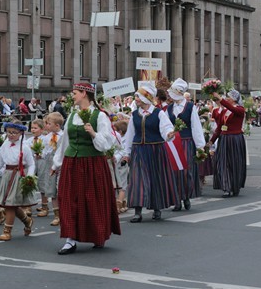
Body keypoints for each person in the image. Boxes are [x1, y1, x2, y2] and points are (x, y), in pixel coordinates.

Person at [53, 83, 121, 254]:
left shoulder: (99, 116)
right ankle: (70, 239)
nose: (72, 96)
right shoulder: (72, 116)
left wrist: (93, 134)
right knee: (68, 199)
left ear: (84, 94)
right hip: (72, 163)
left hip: (92, 163)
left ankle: (98, 235)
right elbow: (64, 142)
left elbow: (106, 144)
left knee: (92, 200)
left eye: (74, 93)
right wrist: (57, 164)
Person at [121, 84, 176, 223]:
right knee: (137, 180)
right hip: (139, 150)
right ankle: (137, 212)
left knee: (155, 179)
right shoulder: (135, 114)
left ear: (146, 98)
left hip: (155, 150)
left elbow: (167, 128)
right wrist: (126, 152)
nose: (136, 99)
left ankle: (157, 209)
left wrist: (169, 134)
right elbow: (130, 135)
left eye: (138, 96)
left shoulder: (159, 113)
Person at [0, 122, 36, 241]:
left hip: (18, 176)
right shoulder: (5, 145)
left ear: (21, 133)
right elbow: (0, 161)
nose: (11, 135)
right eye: (8, 132)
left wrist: (30, 177)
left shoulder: (25, 147)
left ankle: (7, 231)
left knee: (10, 205)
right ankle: (27, 221)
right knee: (11, 204)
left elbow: (31, 164)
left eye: (14, 132)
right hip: (7, 175)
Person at [166, 78, 206, 212]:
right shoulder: (169, 108)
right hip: (173, 143)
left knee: (186, 171)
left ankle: (186, 197)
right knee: (174, 172)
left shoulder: (190, 107)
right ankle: (177, 199)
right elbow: (165, 125)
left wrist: (200, 146)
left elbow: (196, 126)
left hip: (186, 142)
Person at [208, 90, 248, 197]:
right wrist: (211, 140)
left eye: (229, 97)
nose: (227, 99)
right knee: (223, 162)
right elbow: (219, 127)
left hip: (235, 139)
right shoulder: (224, 111)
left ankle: (235, 186)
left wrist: (220, 99)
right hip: (224, 139)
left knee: (235, 163)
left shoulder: (240, 110)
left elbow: (233, 109)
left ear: (234, 99)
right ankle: (226, 187)